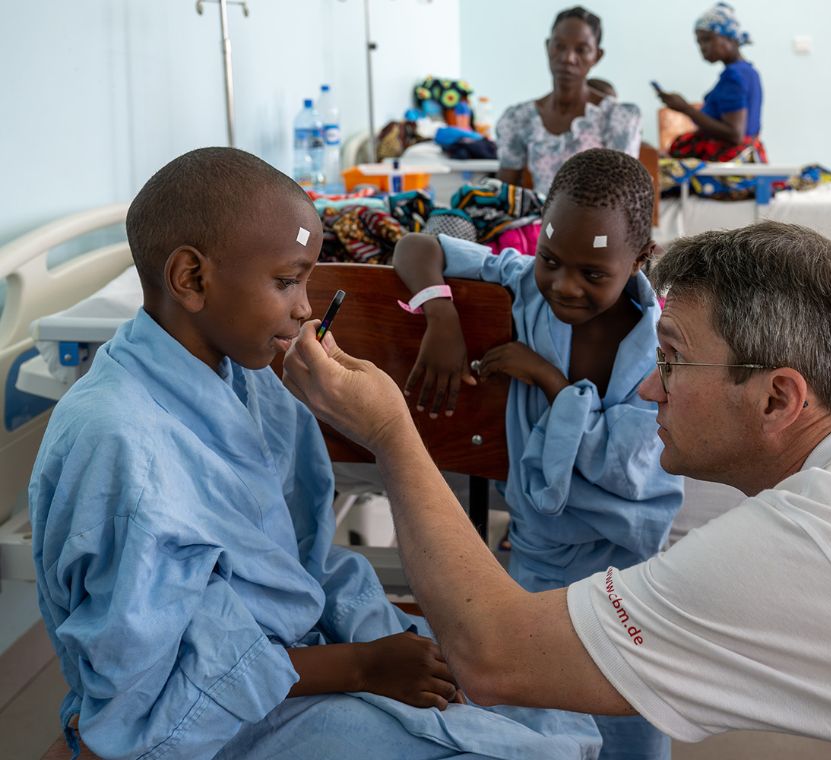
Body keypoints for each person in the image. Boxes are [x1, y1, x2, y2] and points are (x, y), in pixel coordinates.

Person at [286, 219, 831, 760]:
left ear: (779, 398)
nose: (649, 392)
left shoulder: (814, 544)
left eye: (670, 363)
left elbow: (494, 656)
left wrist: (393, 433)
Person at [28, 147, 600, 760]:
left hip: (293, 660)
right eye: (286, 281)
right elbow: (147, 701)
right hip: (217, 720)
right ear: (191, 279)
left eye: (308, 279)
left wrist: (375, 635)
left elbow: (302, 561)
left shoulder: (246, 377)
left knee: (559, 711)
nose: (305, 307)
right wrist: (358, 666)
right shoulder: (121, 450)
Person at [392, 147, 683, 760]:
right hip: (538, 560)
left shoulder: (658, 347)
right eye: (550, 259)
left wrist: (549, 380)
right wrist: (440, 313)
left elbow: (625, 471)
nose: (563, 285)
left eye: (591, 274)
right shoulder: (524, 285)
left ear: (641, 261)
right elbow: (416, 245)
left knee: (627, 708)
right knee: (531, 719)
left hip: (624, 571)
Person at [496, 6, 641, 196]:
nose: (568, 58)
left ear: (597, 56)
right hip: (542, 224)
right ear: (548, 46)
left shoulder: (617, 118)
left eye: (582, 50)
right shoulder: (518, 118)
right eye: (559, 46)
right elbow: (504, 195)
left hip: (597, 224)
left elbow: (622, 199)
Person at [656, 2, 765, 163]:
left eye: (707, 40)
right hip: (748, 158)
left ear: (729, 38)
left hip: (729, 163)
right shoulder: (749, 72)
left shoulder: (733, 75)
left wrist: (686, 109)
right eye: (699, 42)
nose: (702, 47)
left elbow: (735, 134)